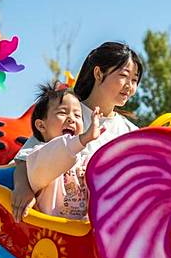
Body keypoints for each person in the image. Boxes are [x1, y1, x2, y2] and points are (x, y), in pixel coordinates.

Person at [11, 41, 143, 221]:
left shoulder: (131, 132)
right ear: (98, 73)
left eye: (134, 80)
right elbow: (25, 159)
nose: (130, 86)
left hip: (100, 228)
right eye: (123, 76)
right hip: (55, 224)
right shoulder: (67, 114)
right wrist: (22, 189)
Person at [18, 82, 103, 219]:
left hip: (79, 235)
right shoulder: (37, 156)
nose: (71, 119)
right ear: (41, 125)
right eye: (62, 112)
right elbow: (58, 153)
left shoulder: (86, 161)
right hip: (49, 235)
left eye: (77, 115)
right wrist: (83, 138)